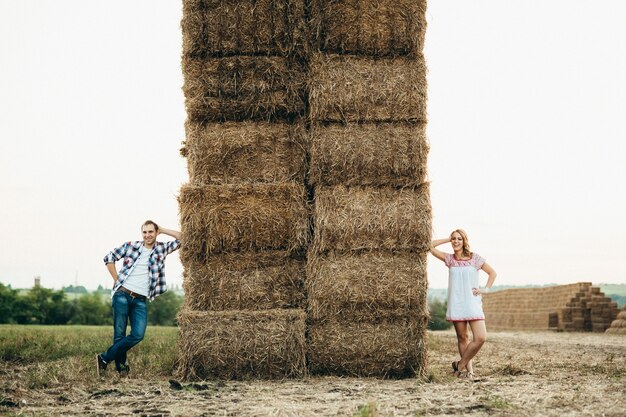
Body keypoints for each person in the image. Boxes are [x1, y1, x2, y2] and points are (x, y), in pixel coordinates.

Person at [96, 220, 181, 376]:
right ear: (141, 233)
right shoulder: (131, 246)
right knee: (119, 334)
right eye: (145, 232)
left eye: (151, 232)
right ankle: (121, 368)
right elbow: (109, 258)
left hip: (140, 300)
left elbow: (183, 238)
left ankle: (104, 358)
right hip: (122, 294)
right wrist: (117, 280)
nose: (147, 235)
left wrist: (162, 229)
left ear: (156, 233)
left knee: (138, 334)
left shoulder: (162, 249)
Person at [430, 229, 497, 381]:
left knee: (480, 337)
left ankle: (459, 366)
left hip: (472, 302)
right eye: (453, 239)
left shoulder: (475, 258)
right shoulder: (449, 259)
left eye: (459, 239)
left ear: (464, 241)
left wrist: (485, 289)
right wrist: (447, 239)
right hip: (456, 303)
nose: (456, 241)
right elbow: (430, 246)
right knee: (463, 337)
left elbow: (492, 273)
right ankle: (470, 371)